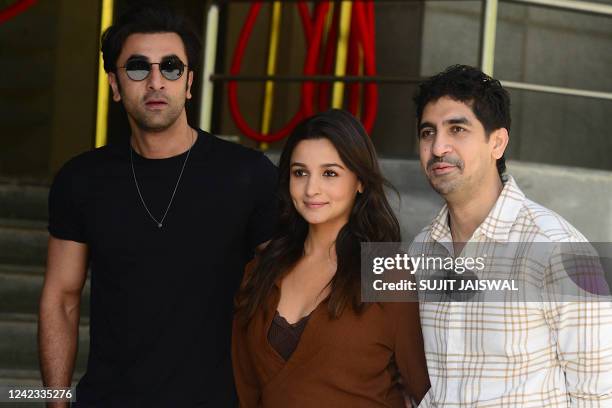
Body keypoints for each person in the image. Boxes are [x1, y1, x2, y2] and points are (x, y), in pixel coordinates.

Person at [38, 5, 277, 407]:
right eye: (136, 68)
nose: (154, 82)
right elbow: (61, 298)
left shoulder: (248, 174)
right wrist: (56, 403)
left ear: (188, 83)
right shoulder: (81, 180)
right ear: (114, 84)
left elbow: (287, 291)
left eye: (170, 67)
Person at [410, 64, 612, 406]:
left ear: (497, 143)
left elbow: (598, 391)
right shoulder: (421, 250)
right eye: (428, 132)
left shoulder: (557, 247)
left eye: (457, 129)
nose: (438, 146)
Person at [232, 109, 430, 407]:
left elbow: (425, 389)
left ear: (360, 181)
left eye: (330, 173)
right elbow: (244, 387)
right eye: (300, 173)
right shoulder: (261, 268)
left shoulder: (388, 272)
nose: (312, 189)